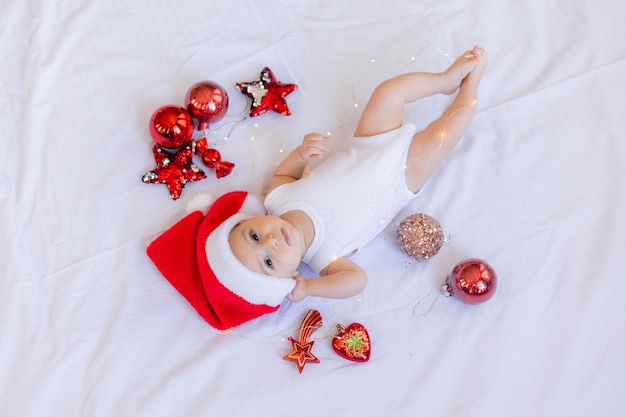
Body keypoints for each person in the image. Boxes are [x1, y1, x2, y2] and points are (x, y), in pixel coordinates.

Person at [147, 46, 488, 330]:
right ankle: (470, 87)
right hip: (402, 175)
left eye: (253, 235)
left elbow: (284, 176)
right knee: (449, 131)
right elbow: (357, 281)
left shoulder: (278, 200)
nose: (271, 241)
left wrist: (300, 154)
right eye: (269, 262)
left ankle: (445, 80)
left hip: (368, 143)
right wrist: (310, 288)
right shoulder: (324, 258)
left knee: (389, 91)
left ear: (246, 220)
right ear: (288, 276)